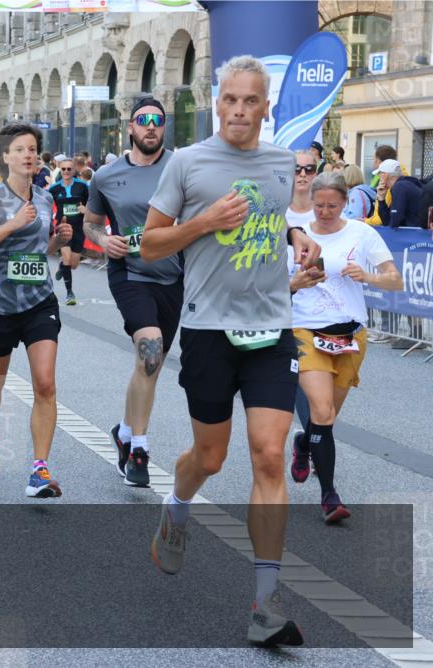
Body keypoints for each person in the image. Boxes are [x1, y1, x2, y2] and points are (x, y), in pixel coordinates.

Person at [142, 55, 320, 647]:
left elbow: (277, 219)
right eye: (230, 100)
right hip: (209, 329)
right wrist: (205, 222)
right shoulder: (188, 164)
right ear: (216, 104)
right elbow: (148, 245)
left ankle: (265, 606)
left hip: (272, 329)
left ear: (266, 107)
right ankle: (178, 504)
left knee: (269, 456)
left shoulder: (281, 164)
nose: (240, 110)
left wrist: (300, 240)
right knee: (210, 458)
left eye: (251, 101)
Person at [287, 172, 403, 523]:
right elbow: (279, 284)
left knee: (328, 418)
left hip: (350, 335)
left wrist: (368, 277)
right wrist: (298, 281)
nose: (324, 212)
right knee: (320, 411)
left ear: (346, 201)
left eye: (332, 206)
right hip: (305, 328)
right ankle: (330, 497)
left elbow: (394, 279)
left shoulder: (361, 233)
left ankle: (304, 444)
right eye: (319, 205)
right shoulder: (297, 235)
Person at [85, 97, 182, 487]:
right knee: (151, 350)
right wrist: (102, 240)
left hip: (174, 277)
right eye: (143, 120)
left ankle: (124, 432)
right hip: (130, 274)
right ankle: (139, 448)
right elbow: (91, 223)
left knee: (150, 366)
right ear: (130, 127)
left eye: (158, 121)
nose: (151, 127)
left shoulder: (181, 167)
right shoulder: (106, 176)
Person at [0, 123, 73, 497]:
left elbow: (39, 248)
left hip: (38, 302)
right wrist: (12, 224)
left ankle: (39, 469)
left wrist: (56, 240)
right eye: (20, 149)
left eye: (33, 149)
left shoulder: (46, 199)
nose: (28, 155)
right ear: (5, 156)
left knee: (45, 383)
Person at [49, 156, 90, 305]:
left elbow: (92, 204)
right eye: (63, 169)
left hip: (79, 229)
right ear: (60, 170)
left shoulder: (83, 186)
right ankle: (70, 293)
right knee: (66, 258)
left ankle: (62, 267)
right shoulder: (54, 188)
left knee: (73, 264)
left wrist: (86, 210)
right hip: (63, 228)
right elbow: (46, 205)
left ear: (74, 170)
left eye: (69, 169)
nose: (66, 171)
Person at [374, 159, 426, 228]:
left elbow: (394, 222)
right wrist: (381, 199)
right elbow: (388, 221)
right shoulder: (405, 184)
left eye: (379, 175)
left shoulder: (400, 187)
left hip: (415, 235)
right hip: (419, 234)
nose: (379, 178)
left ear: (384, 175)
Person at [285, 151, 318, 227]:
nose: (303, 174)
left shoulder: (329, 213)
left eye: (309, 169)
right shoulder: (277, 213)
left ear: (316, 175)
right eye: (296, 168)